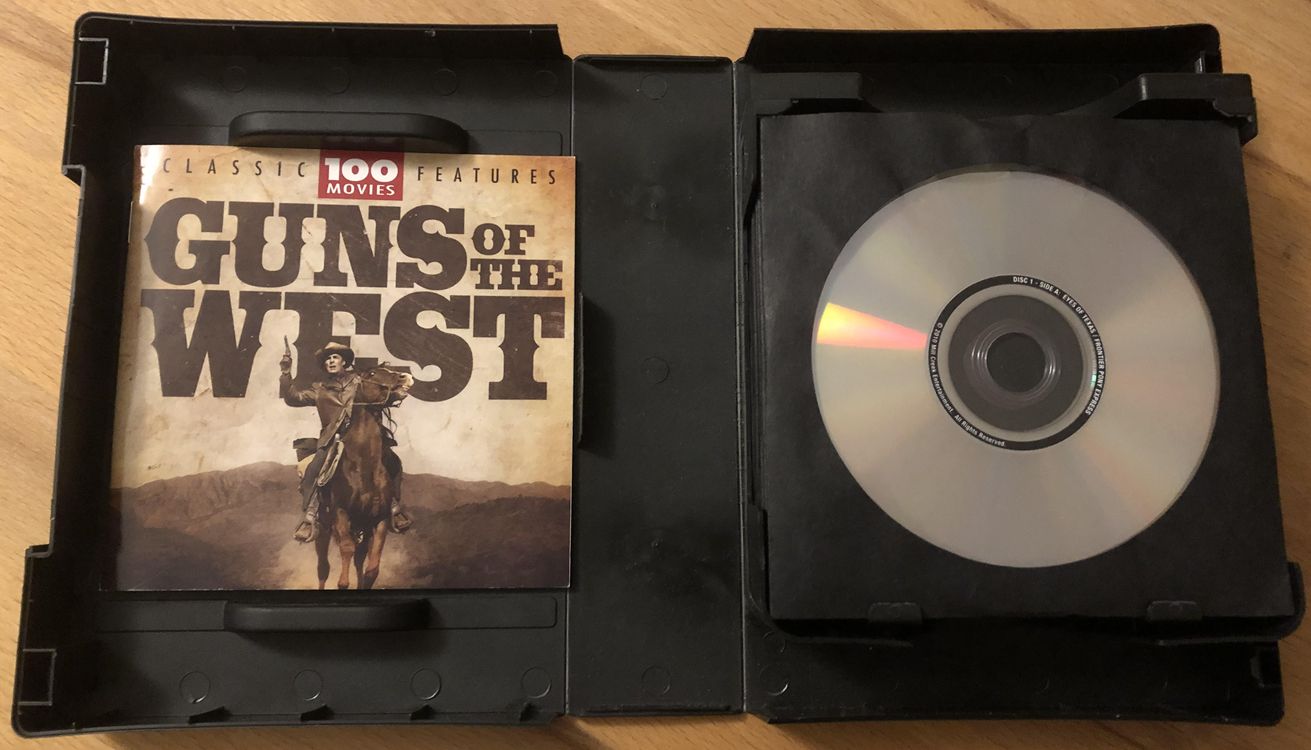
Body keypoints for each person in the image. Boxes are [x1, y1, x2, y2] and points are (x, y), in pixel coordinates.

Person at [280, 342, 413, 542]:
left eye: (334, 357)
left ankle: (394, 507)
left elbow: (379, 393)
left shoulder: (360, 382)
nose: (330, 361)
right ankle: (310, 516)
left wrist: (396, 395)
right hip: (333, 441)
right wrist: (285, 373)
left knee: (392, 462)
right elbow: (293, 398)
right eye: (327, 359)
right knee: (314, 470)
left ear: (344, 361)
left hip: (363, 439)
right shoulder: (319, 389)